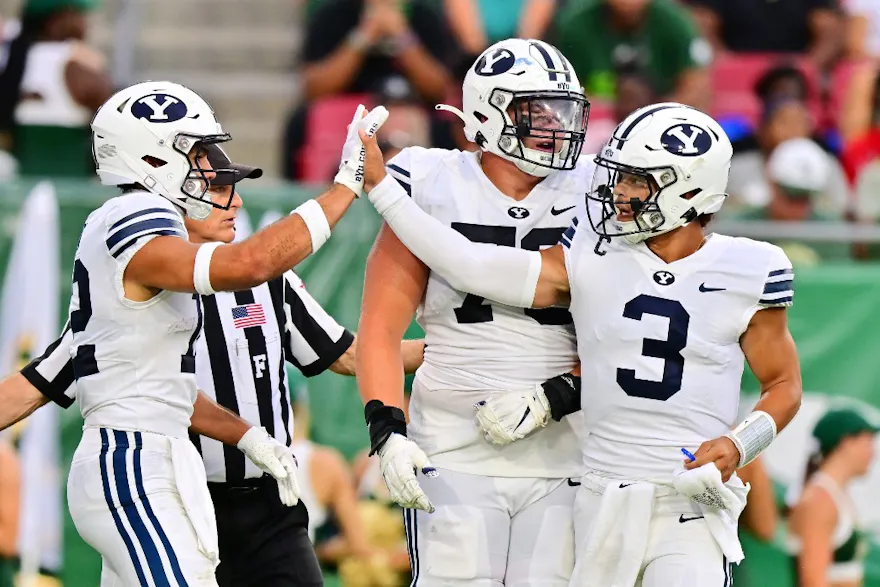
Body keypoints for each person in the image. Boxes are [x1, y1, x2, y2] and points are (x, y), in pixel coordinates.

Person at [357, 100, 803, 585]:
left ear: (689, 189)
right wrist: (385, 193)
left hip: (687, 495)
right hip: (599, 492)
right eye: (620, 175)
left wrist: (741, 444)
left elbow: (783, 384)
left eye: (637, 180)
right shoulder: (594, 252)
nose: (618, 192)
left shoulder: (749, 269)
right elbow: (471, 265)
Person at [3, 80, 388, 586]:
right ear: (154, 158)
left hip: (162, 461)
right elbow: (248, 263)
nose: (210, 171)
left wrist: (248, 436)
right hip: (133, 461)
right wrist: (344, 188)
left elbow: (147, 384)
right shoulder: (134, 213)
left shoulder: (146, 270)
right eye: (195, 152)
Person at [356, 38, 590, 586]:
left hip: (567, 450)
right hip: (453, 443)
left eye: (563, 111)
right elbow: (381, 328)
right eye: (536, 113)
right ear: (486, 112)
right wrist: (388, 431)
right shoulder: (432, 180)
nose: (556, 127)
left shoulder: (594, 193)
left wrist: (559, 394)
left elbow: (612, 334)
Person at [787, 407, 878, 587]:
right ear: (846, 443)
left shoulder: (835, 496)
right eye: (868, 443)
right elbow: (813, 581)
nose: (873, 454)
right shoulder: (819, 501)